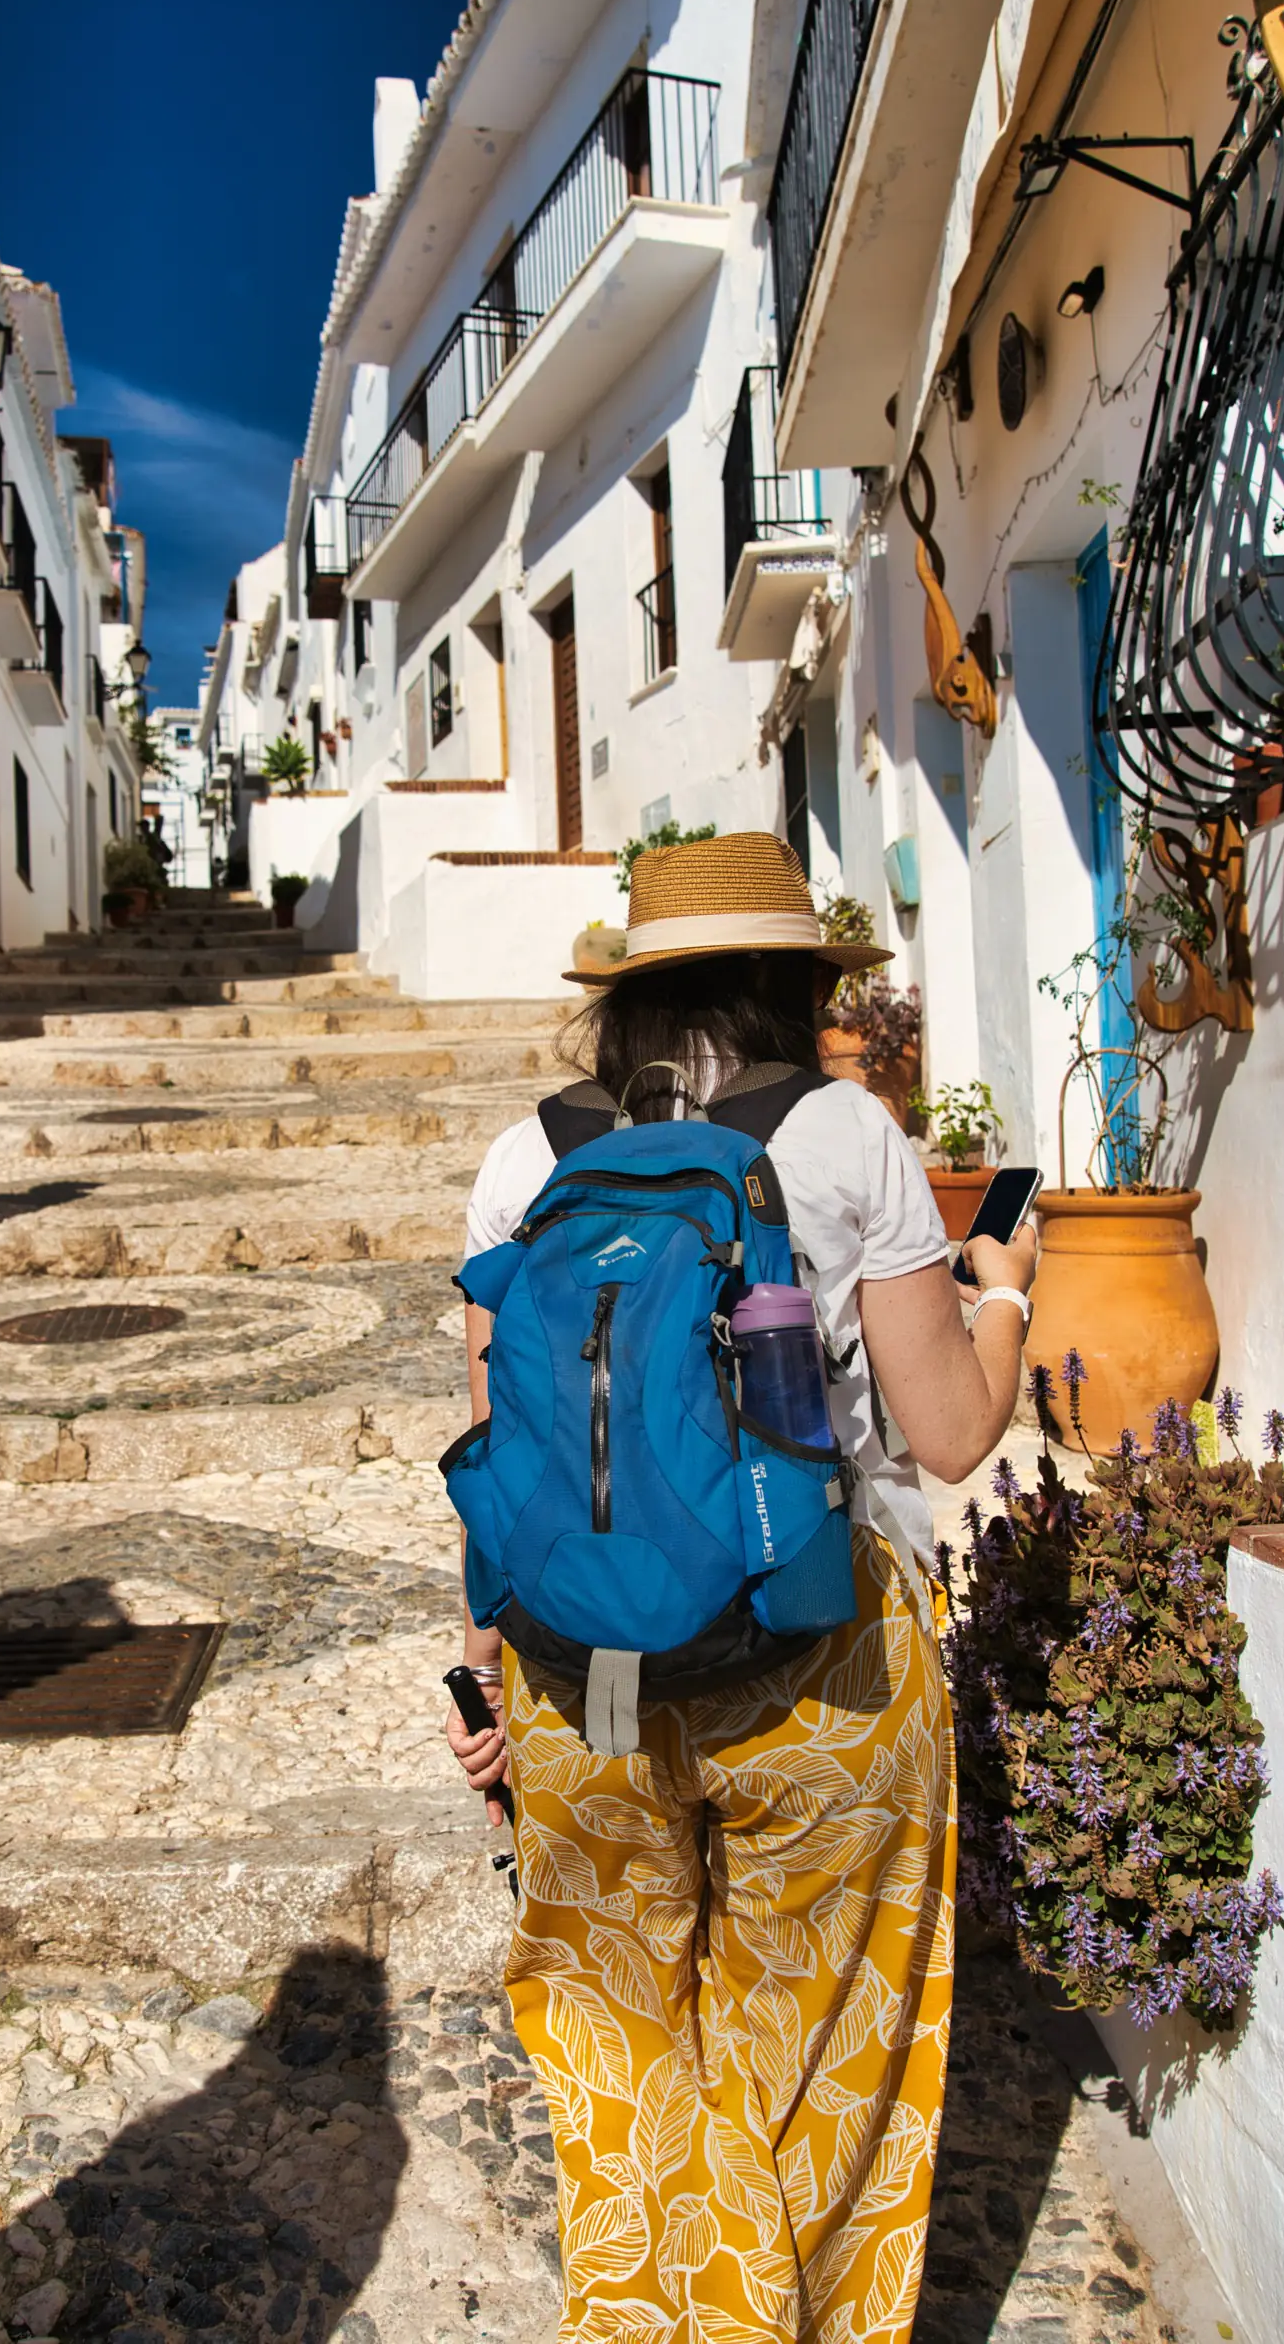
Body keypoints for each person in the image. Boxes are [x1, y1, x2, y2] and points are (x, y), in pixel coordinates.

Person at [445, 832, 1037, 2344]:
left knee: (619, 2046)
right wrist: (1010, 1293)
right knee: (819, 2051)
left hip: (584, 1675)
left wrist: (483, 1682)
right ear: (797, 980)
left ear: (624, 995)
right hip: (825, 1660)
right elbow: (956, 1435)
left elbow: (500, 1460)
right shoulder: (847, 1133)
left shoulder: (528, 1160)